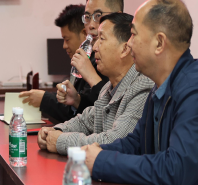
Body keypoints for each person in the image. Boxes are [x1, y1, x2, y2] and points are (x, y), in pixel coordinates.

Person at [82, 0, 198, 185]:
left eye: (134, 34)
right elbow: (136, 143)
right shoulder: (161, 86)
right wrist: (92, 153)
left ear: (159, 43)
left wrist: (102, 162)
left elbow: (176, 168)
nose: (129, 44)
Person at [38, 13, 153, 154]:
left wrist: (60, 141)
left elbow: (115, 141)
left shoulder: (143, 86)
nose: (94, 47)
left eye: (101, 39)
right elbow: (85, 121)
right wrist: (54, 131)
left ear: (125, 49)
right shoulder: (108, 88)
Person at [57, 0, 123, 113]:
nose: (91, 25)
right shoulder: (94, 57)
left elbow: (116, 113)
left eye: (98, 16)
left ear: (118, 17)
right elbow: (94, 114)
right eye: (87, 17)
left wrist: (90, 75)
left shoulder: (129, 58)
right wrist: (76, 100)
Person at [21, 4, 86, 123]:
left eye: (67, 39)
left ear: (84, 34)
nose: (64, 46)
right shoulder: (77, 65)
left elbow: (78, 114)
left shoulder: (94, 67)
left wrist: (44, 99)